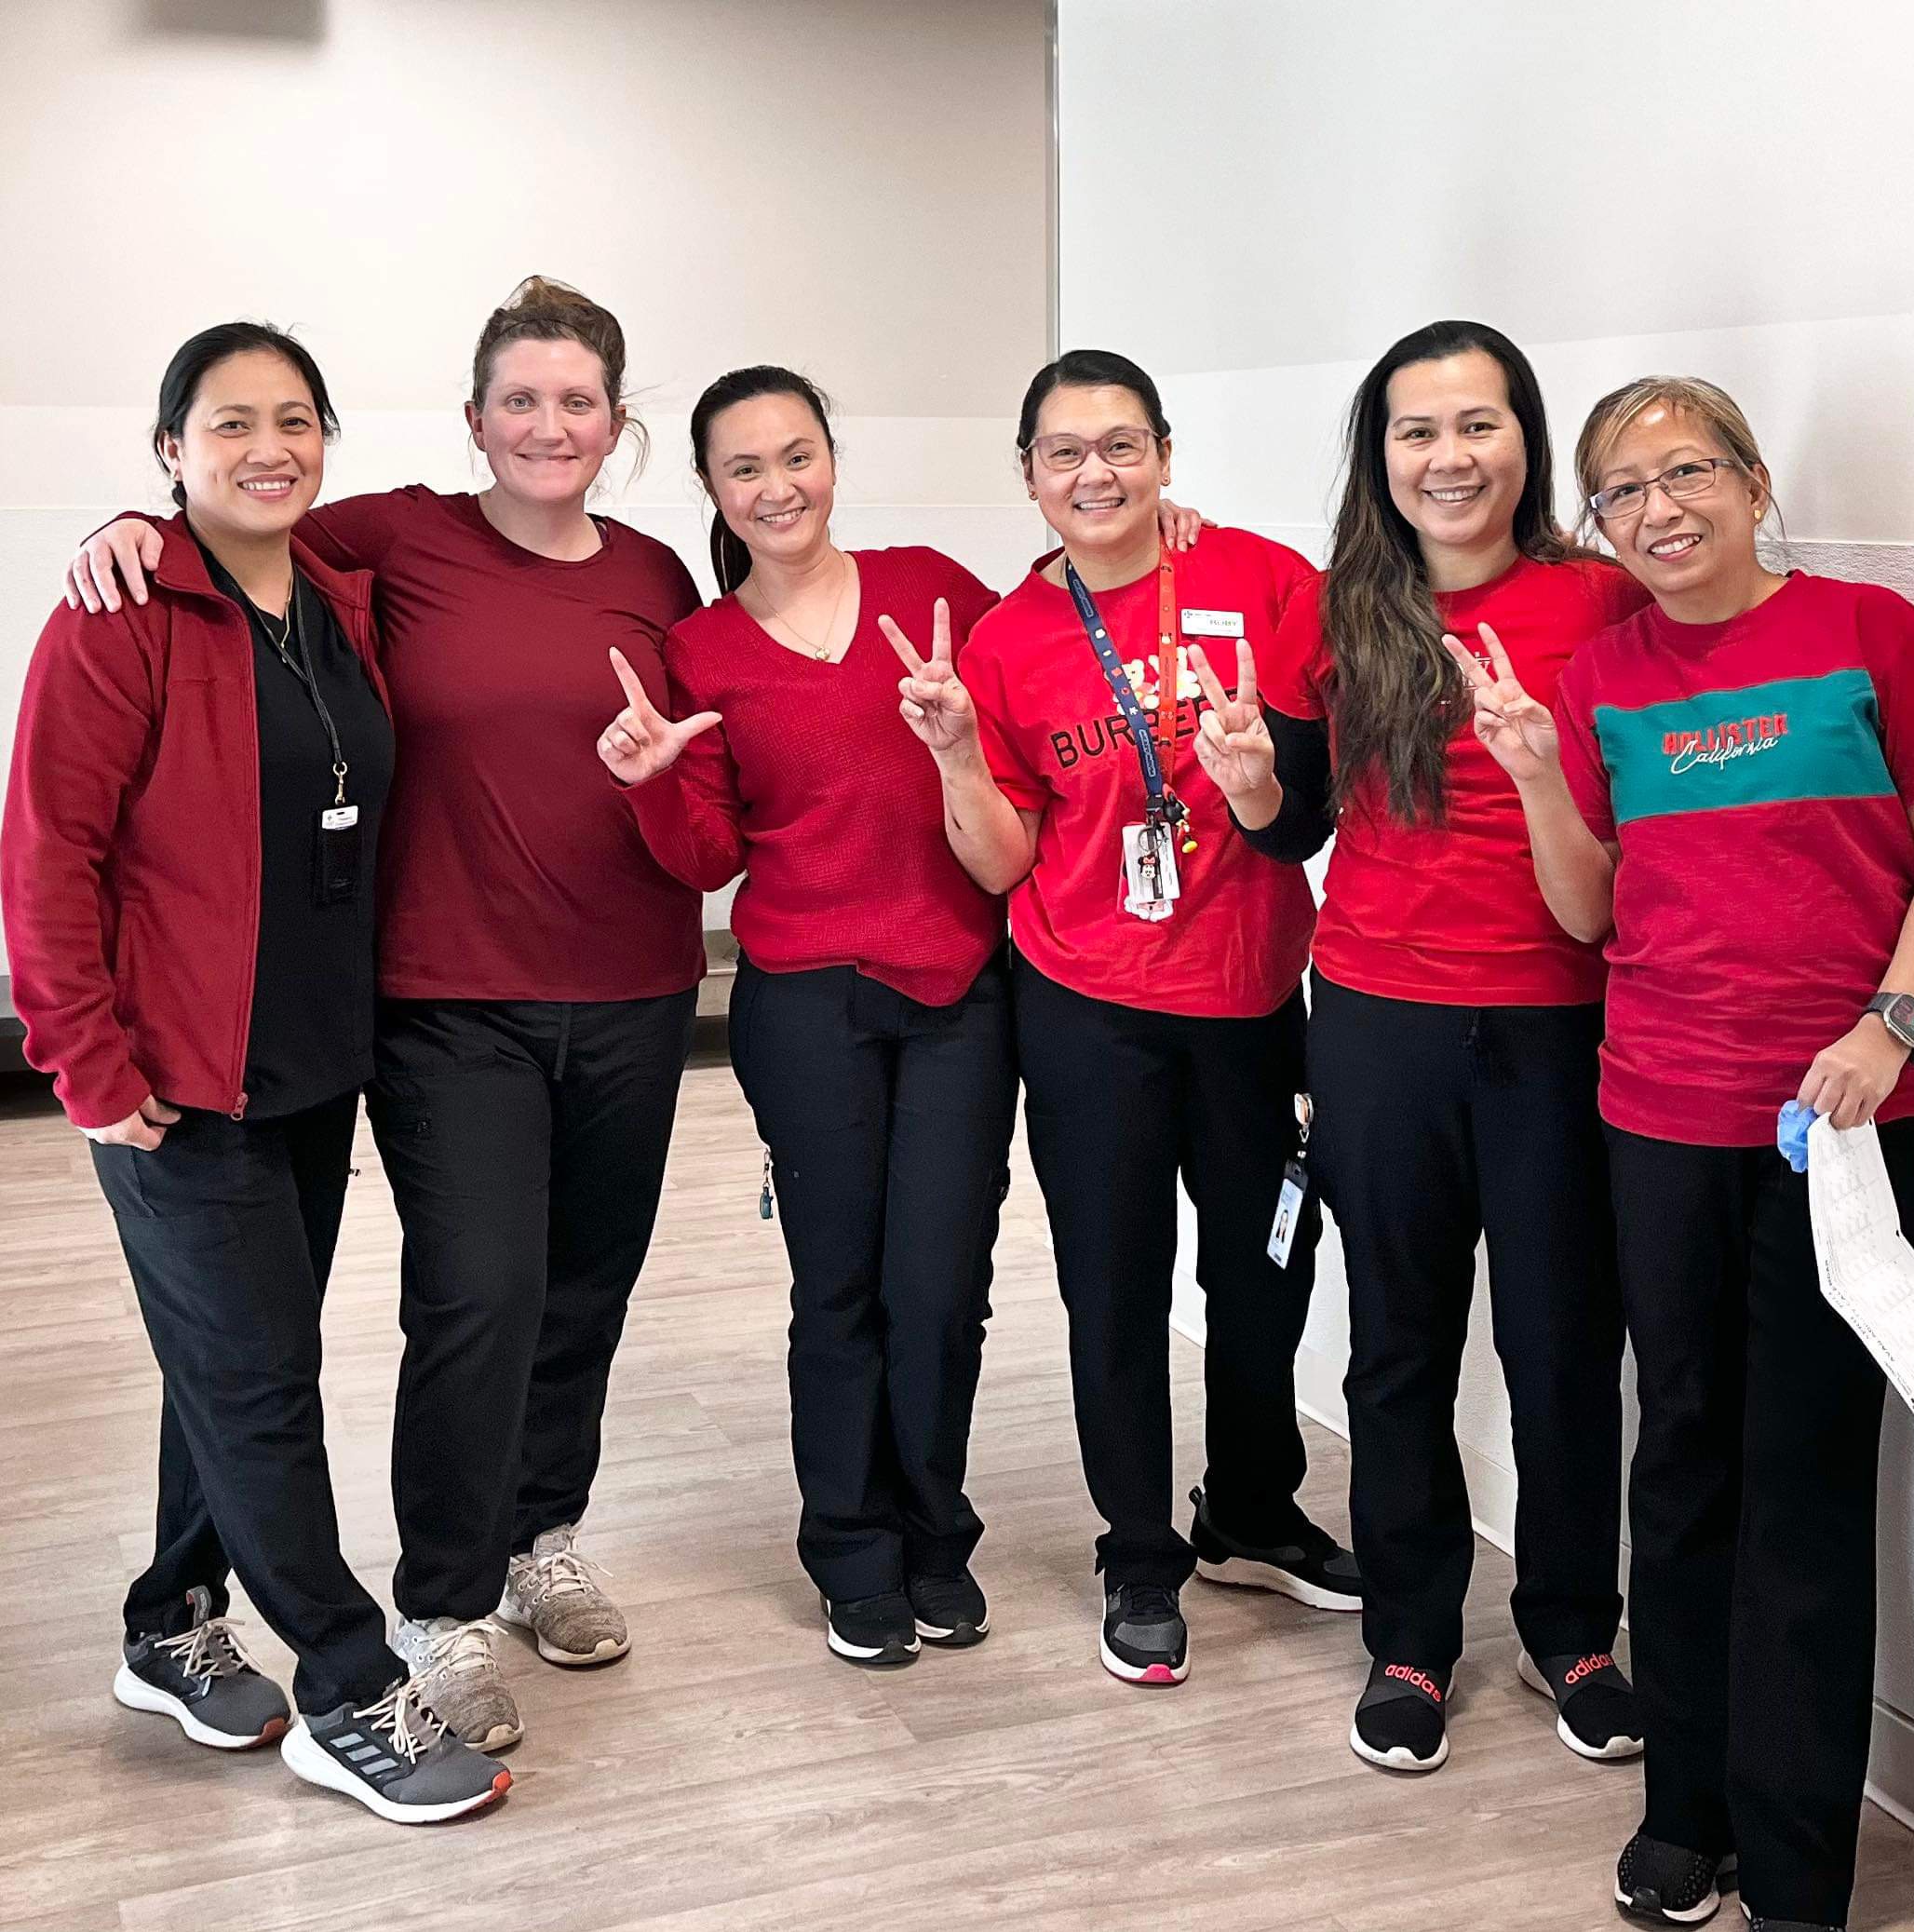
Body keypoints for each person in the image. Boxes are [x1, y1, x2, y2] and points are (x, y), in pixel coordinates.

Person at [61, 278, 704, 1750]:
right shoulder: (393, 537)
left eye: (579, 401)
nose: (550, 426)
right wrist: (121, 529)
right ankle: (443, 1601)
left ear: (619, 423)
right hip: (442, 1001)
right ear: (474, 419)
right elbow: (223, 538)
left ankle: (541, 1535)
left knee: (581, 1294)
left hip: (634, 986)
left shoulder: (664, 575)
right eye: (520, 401)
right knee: (477, 1298)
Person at [1455, 374, 1914, 1931]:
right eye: (1622, 492)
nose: (1659, 509)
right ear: (1604, 527)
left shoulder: (1869, 635)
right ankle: (1681, 1807)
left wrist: (1893, 1023)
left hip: (1843, 1125)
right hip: (1660, 1112)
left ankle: (1801, 1859)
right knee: (1682, 1453)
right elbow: (1583, 909)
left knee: (1811, 1477)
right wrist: (1542, 778)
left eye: (1687, 471)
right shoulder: (1607, 672)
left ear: (1756, 484)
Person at [596, 365, 1209, 1669]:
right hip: (805, 1000)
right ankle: (851, 1546)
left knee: (941, 1291)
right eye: (745, 468)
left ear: (833, 461)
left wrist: (1163, 539)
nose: (778, 486)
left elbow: (1060, 639)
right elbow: (706, 854)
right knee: (842, 1290)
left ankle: (937, 1536)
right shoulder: (700, 652)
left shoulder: (935, 588)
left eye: (797, 455)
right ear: (712, 489)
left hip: (956, 992)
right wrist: (653, 784)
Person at [3, 323, 503, 1823]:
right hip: (168, 1075)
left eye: (295, 420)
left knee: (226, 1367)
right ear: (170, 448)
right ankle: (348, 1688)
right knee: (265, 1380)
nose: (266, 448)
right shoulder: (122, 611)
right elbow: (46, 855)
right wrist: (85, 1062)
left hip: (306, 1063)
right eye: (230, 424)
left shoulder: (337, 599)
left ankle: (168, 1625)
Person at [889, 347, 1361, 1688]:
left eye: (1120, 445)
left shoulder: (1263, 581)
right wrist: (955, 752)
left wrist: (1266, 779)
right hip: (1088, 1004)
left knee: (1263, 1266)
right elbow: (997, 861)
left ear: (1163, 453)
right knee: (1115, 1283)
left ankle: (1253, 1513)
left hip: (1257, 993)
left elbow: (1315, 805)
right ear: (1030, 475)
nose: (1094, 474)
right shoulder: (1003, 641)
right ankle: (1140, 1549)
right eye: (1063, 453)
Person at [1218, 320, 1649, 1774]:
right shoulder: (1334, 611)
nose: (1449, 455)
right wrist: (1246, 787)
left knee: (1562, 1345)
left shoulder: (1601, 600)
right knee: (1398, 1344)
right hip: (1381, 1027)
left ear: (1525, 439)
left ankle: (1573, 1630)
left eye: (1479, 424)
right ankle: (1410, 1637)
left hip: (1561, 1025)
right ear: (1379, 454)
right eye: (1418, 430)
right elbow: (1296, 825)